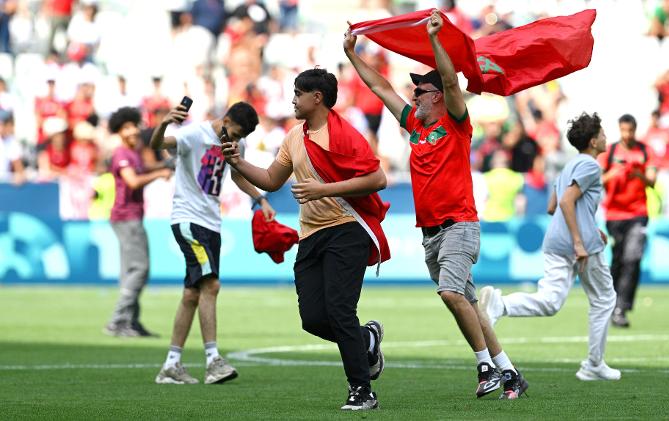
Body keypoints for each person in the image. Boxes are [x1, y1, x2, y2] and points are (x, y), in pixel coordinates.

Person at [344, 10, 527, 400]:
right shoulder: (415, 125)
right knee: (470, 305)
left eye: (420, 92)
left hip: (459, 223)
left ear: (439, 96)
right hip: (431, 233)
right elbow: (381, 89)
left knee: (450, 294)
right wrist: (353, 55)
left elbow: (448, 79)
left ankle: (483, 367)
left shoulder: (458, 122)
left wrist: (434, 40)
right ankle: (509, 372)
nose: (414, 96)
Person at [222, 68, 389, 411]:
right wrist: (238, 162)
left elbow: (378, 178)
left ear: (317, 98)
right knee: (312, 318)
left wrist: (323, 189)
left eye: (298, 93)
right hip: (311, 234)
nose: (292, 99)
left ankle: (362, 391)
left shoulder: (344, 134)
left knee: (341, 310)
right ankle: (366, 340)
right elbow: (270, 179)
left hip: (348, 228)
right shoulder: (293, 137)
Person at [479, 112, 621, 382]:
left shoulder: (568, 165)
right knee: (604, 300)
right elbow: (567, 202)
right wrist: (580, 241)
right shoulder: (590, 166)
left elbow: (551, 206)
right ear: (593, 141)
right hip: (579, 244)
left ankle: (501, 304)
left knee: (550, 301)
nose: (606, 138)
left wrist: (592, 228)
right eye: (602, 133)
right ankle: (593, 364)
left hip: (556, 240)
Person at [150, 101, 276, 384]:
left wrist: (261, 199)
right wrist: (163, 122)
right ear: (226, 120)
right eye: (234, 134)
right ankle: (213, 361)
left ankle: (171, 364)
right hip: (188, 219)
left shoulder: (234, 144)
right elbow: (157, 143)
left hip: (211, 223)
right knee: (211, 285)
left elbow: (237, 176)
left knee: (192, 294)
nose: (236, 141)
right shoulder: (194, 134)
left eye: (241, 138)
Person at [104, 107, 172, 337]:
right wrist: (159, 174)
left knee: (130, 271)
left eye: (134, 125)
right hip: (126, 217)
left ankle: (131, 321)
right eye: (126, 127)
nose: (132, 130)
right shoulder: (122, 154)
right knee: (140, 269)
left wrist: (164, 166)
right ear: (119, 131)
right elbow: (133, 181)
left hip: (130, 217)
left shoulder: (133, 152)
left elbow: (144, 168)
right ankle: (118, 320)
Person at [599, 114, 657, 327]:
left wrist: (638, 174)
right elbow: (596, 179)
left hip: (638, 212)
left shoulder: (645, 151)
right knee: (618, 259)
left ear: (635, 129)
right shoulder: (610, 151)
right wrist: (613, 173)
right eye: (624, 130)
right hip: (614, 214)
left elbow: (652, 181)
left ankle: (622, 307)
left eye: (630, 131)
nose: (627, 135)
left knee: (633, 258)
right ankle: (612, 304)